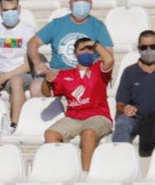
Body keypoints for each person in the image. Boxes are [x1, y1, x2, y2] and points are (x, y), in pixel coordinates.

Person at [41, 37, 114, 173]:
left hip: (98, 115)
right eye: (82, 49)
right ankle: (60, 171)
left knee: (88, 133)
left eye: (90, 49)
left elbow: (109, 60)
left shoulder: (99, 69)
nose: (87, 52)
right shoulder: (64, 74)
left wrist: (95, 43)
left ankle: (84, 173)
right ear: (75, 53)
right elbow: (46, 93)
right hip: (74, 117)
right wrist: (46, 81)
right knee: (50, 134)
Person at [26, 0, 112, 99]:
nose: (81, 3)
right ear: (70, 3)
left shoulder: (98, 27)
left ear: (91, 3)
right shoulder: (57, 24)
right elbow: (33, 42)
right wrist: (37, 63)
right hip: (58, 72)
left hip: (85, 72)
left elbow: (108, 55)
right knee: (37, 87)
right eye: (77, 0)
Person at [0, 0, 36, 133]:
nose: (10, 13)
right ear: (0, 11)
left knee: (16, 81)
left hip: (20, 73)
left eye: (13, 9)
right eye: (6, 10)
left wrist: (4, 77)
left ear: (19, 9)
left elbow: (28, 65)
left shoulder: (28, 30)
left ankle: (14, 125)